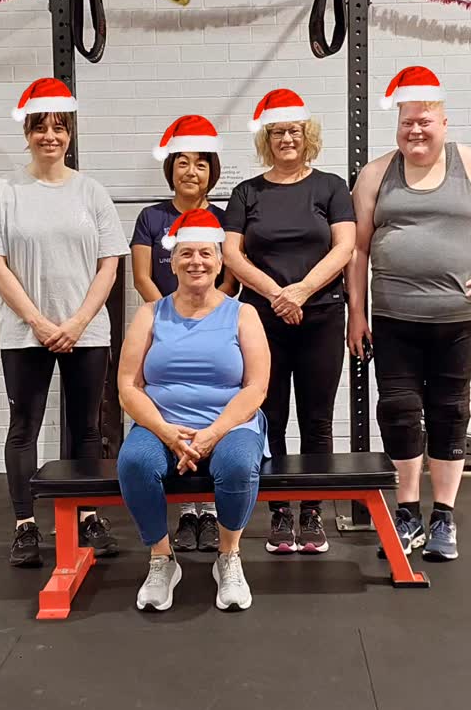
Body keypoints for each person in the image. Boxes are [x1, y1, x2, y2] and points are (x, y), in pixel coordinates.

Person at [347, 65, 471, 561]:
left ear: (443, 122)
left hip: (458, 318)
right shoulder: (375, 174)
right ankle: (408, 510)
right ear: (398, 124)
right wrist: (356, 312)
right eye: (407, 121)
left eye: (425, 121)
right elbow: (357, 251)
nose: (415, 129)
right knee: (398, 411)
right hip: (394, 317)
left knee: (450, 411)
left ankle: (444, 518)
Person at [0, 77, 130, 567]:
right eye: (40, 127)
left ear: (70, 134)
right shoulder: (3, 191)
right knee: (24, 426)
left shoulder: (92, 192)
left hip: (86, 331)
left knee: (86, 428)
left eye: (59, 127)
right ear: (28, 132)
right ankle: (24, 525)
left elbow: (110, 263)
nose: (50, 136)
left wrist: (79, 321)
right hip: (26, 332)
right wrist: (39, 321)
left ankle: (85, 515)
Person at [223, 88, 356, 555]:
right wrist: (277, 295)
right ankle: (280, 512)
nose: (286, 139)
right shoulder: (247, 192)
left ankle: (313, 512)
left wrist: (301, 291)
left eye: (293, 131)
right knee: (271, 416)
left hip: (320, 315)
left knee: (317, 419)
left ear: (307, 135)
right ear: (266, 138)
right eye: (277, 132)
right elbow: (230, 254)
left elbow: (345, 247)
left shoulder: (330, 186)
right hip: (263, 319)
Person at [117, 208, 270, 613]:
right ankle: (161, 559)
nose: (196, 262)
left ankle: (228, 556)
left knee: (237, 464)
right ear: (173, 260)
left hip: (230, 424)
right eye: (186, 254)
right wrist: (166, 432)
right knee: (134, 462)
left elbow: (256, 387)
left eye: (205, 253)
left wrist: (214, 433)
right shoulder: (150, 313)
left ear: (220, 261)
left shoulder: (243, 314)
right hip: (162, 424)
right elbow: (128, 386)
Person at [130, 115, 237, 554]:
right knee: (169, 412)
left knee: (212, 410)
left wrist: (209, 317)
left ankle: (208, 514)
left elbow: (230, 278)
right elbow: (141, 276)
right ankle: (185, 512)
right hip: (162, 330)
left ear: (212, 169)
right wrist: (167, 319)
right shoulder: (151, 218)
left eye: (200, 164)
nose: (190, 172)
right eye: (181, 163)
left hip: (216, 331)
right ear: (169, 168)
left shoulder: (225, 218)